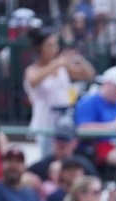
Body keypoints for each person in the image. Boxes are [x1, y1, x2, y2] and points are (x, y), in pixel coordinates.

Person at [24, 29, 94, 158]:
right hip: (45, 119)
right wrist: (56, 63)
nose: (54, 49)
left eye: (55, 45)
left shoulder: (62, 68)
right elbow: (33, 81)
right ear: (40, 47)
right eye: (49, 46)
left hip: (65, 118)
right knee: (46, 155)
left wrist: (79, 59)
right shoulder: (32, 70)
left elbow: (89, 75)